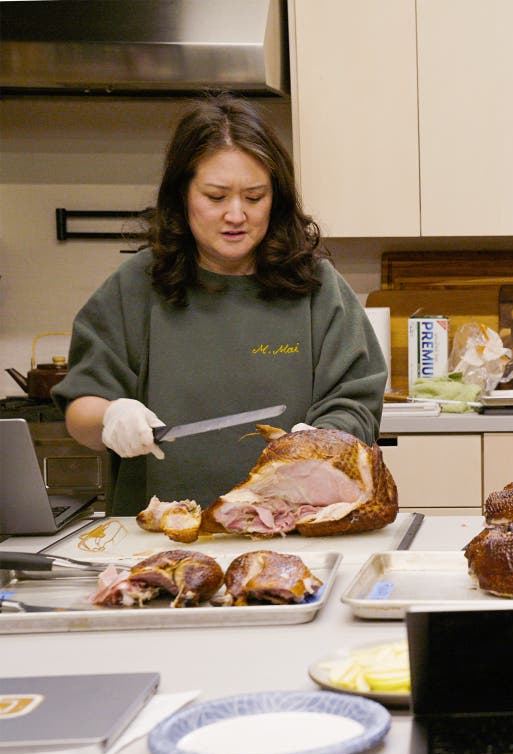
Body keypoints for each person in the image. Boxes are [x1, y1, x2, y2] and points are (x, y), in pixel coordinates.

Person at [52, 94, 388, 517]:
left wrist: (322, 441)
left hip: (293, 534)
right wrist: (111, 417)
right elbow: (81, 410)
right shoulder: (137, 285)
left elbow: (356, 402)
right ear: (182, 195)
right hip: (158, 539)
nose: (236, 214)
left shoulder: (317, 288)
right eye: (215, 196)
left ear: (277, 199)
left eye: (254, 197)